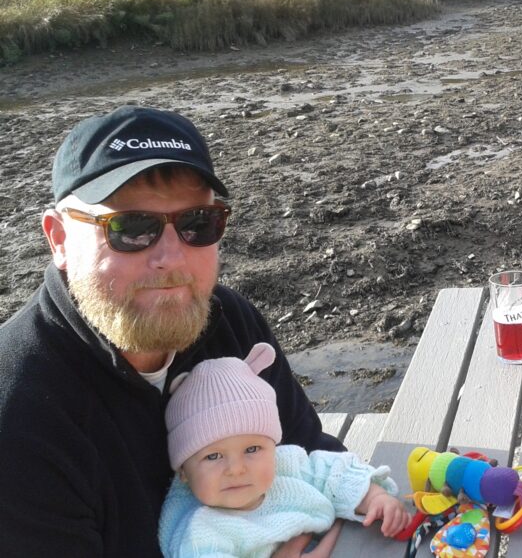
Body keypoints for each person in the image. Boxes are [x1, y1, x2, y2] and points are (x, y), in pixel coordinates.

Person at [0, 106, 343, 557]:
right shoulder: (19, 416)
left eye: (197, 224)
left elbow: (310, 452)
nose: (171, 258)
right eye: (131, 228)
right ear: (59, 239)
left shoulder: (228, 323)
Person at [159, 342, 411, 557]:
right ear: (184, 471)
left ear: (273, 447)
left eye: (252, 449)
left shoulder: (286, 468)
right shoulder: (202, 535)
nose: (236, 469)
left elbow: (332, 474)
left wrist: (373, 498)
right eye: (213, 456)